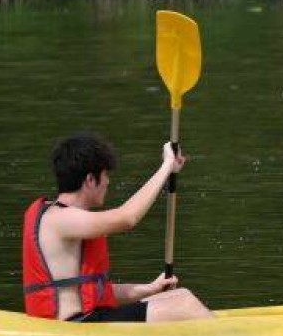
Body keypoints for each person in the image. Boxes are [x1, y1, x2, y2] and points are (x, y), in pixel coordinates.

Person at [22, 133, 213, 322]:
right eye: (105, 175)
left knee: (180, 295)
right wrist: (165, 167)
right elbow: (128, 218)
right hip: (78, 325)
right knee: (186, 305)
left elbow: (94, 289)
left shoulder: (66, 218)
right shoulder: (58, 218)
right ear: (90, 180)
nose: (108, 182)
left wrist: (148, 289)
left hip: (90, 319)